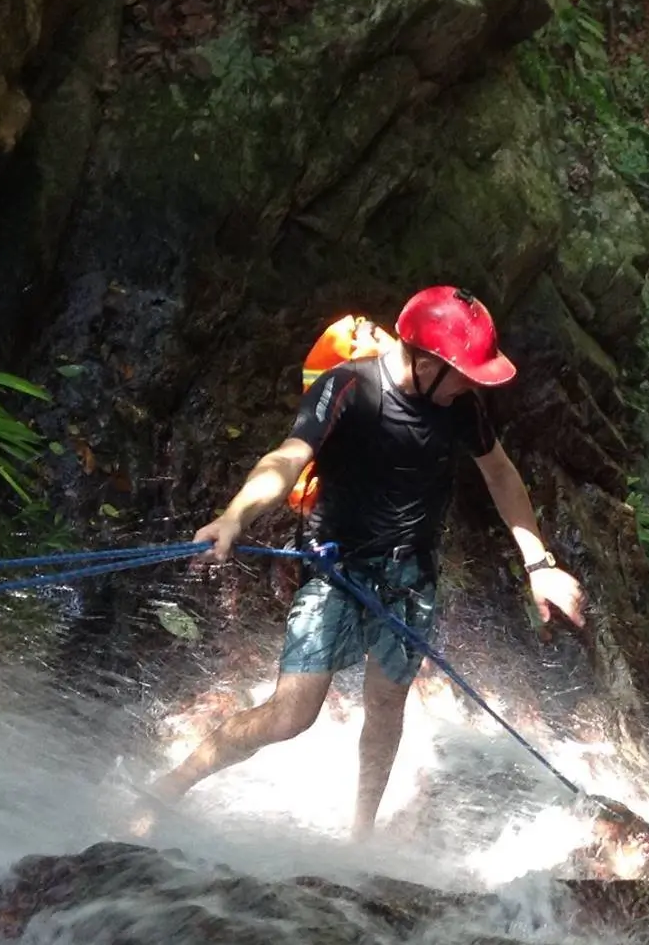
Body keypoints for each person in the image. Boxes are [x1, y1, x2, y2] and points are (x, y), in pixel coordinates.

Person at [148, 286, 588, 837]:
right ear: (426, 362)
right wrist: (235, 518)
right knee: (292, 714)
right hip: (337, 572)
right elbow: (288, 458)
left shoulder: (461, 406)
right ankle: (170, 786)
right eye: (465, 373)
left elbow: (499, 473)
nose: (473, 384)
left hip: (411, 578)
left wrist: (539, 562)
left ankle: (360, 838)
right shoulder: (349, 388)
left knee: (385, 714)